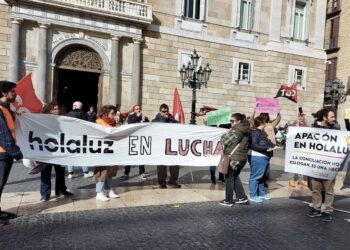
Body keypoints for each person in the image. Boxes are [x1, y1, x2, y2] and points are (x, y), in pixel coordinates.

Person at [307, 108, 340, 222]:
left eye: (334, 116)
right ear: (325, 117)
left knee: (329, 190)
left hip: (330, 165)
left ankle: (327, 210)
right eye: (332, 117)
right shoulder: (315, 127)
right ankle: (316, 208)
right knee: (316, 189)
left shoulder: (336, 127)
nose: (334, 119)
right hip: (316, 164)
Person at [0, 81, 23, 225]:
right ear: (4, 93)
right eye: (12, 91)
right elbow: (3, 134)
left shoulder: (7, 109)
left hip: (5, 153)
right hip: (2, 153)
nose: (15, 94)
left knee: (1, 184)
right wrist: (16, 152)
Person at [39, 103, 73, 201]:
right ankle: (45, 194)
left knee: (61, 172)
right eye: (53, 109)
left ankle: (61, 190)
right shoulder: (42, 121)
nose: (56, 111)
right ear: (48, 110)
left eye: (57, 109)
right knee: (45, 173)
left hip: (60, 150)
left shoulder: (63, 119)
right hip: (46, 151)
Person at [219, 113, 250, 207]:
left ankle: (228, 200)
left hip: (234, 158)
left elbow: (224, 140)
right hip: (241, 158)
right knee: (235, 177)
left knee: (229, 178)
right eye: (230, 121)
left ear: (239, 121)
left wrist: (229, 131)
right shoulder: (246, 129)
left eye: (232, 121)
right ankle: (242, 198)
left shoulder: (237, 130)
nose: (231, 122)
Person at [93, 105, 119, 201]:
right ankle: (99, 192)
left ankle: (109, 190)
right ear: (105, 113)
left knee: (111, 171)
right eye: (112, 113)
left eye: (114, 113)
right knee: (101, 171)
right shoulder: (98, 122)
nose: (114, 115)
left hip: (112, 150)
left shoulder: (114, 123)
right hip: (101, 151)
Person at [248, 117, 277, 203]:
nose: (266, 124)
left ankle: (261, 193)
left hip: (264, 156)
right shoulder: (254, 132)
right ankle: (253, 195)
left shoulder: (262, 132)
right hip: (258, 156)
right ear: (262, 123)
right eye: (265, 123)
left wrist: (274, 146)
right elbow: (253, 145)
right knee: (256, 176)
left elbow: (268, 141)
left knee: (263, 176)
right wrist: (267, 148)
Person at [152, 104, 181, 189]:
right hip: (161, 146)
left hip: (172, 146)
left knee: (175, 164)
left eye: (167, 111)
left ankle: (173, 180)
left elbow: (178, 125)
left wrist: (170, 119)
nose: (165, 113)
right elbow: (160, 125)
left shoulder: (171, 119)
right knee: (161, 165)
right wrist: (165, 118)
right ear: (160, 111)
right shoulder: (155, 120)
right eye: (163, 111)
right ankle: (162, 182)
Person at [250, 111, 281, 188]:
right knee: (260, 164)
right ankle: (259, 180)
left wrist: (278, 112)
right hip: (261, 147)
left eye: (266, 115)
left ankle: (264, 179)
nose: (265, 116)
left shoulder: (271, 124)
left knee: (266, 163)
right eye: (263, 114)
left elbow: (278, 119)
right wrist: (254, 111)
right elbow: (251, 120)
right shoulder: (257, 123)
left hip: (270, 146)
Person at [120, 105, 149, 181]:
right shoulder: (131, 116)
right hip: (132, 140)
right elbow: (130, 123)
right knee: (129, 157)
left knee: (141, 157)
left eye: (139, 109)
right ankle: (126, 173)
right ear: (134, 110)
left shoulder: (144, 117)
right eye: (136, 109)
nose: (138, 110)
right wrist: (137, 117)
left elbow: (148, 125)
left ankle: (142, 173)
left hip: (140, 139)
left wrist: (144, 121)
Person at [66, 101, 93, 178]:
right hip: (81, 137)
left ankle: (70, 173)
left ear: (74, 106)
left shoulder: (68, 114)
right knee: (82, 154)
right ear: (81, 107)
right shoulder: (84, 114)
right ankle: (86, 172)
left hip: (70, 137)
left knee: (71, 154)